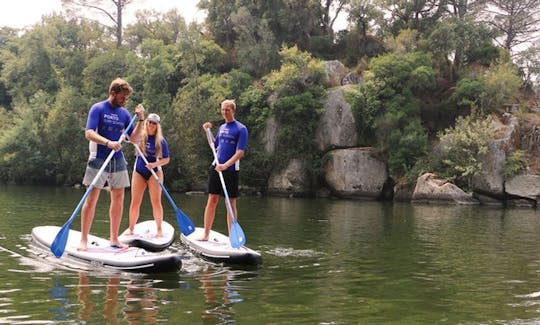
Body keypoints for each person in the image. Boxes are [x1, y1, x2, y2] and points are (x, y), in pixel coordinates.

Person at [78, 78, 145, 251]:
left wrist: (141, 120)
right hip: (99, 156)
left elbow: (134, 139)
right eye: (122, 97)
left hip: (117, 158)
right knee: (91, 199)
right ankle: (83, 240)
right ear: (113, 93)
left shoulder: (124, 114)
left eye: (126, 98)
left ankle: (114, 239)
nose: (124, 100)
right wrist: (108, 143)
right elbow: (89, 133)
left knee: (119, 197)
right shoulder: (98, 108)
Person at [200, 99, 248, 241]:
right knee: (212, 199)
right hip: (216, 167)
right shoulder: (221, 128)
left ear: (233, 110)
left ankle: (233, 236)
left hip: (231, 169)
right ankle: (206, 233)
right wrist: (207, 131)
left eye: (227, 109)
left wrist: (226, 165)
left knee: (230, 203)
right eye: (222, 109)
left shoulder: (241, 129)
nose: (224, 112)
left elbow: (240, 152)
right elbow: (214, 145)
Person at [128, 113, 170, 237]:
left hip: (155, 172)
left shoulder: (161, 141)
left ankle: (159, 229)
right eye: (150, 122)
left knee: (156, 202)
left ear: (157, 126)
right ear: (146, 122)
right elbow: (130, 138)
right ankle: (131, 229)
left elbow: (166, 159)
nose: (151, 125)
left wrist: (155, 164)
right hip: (139, 171)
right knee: (135, 202)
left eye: (154, 123)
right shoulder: (140, 136)